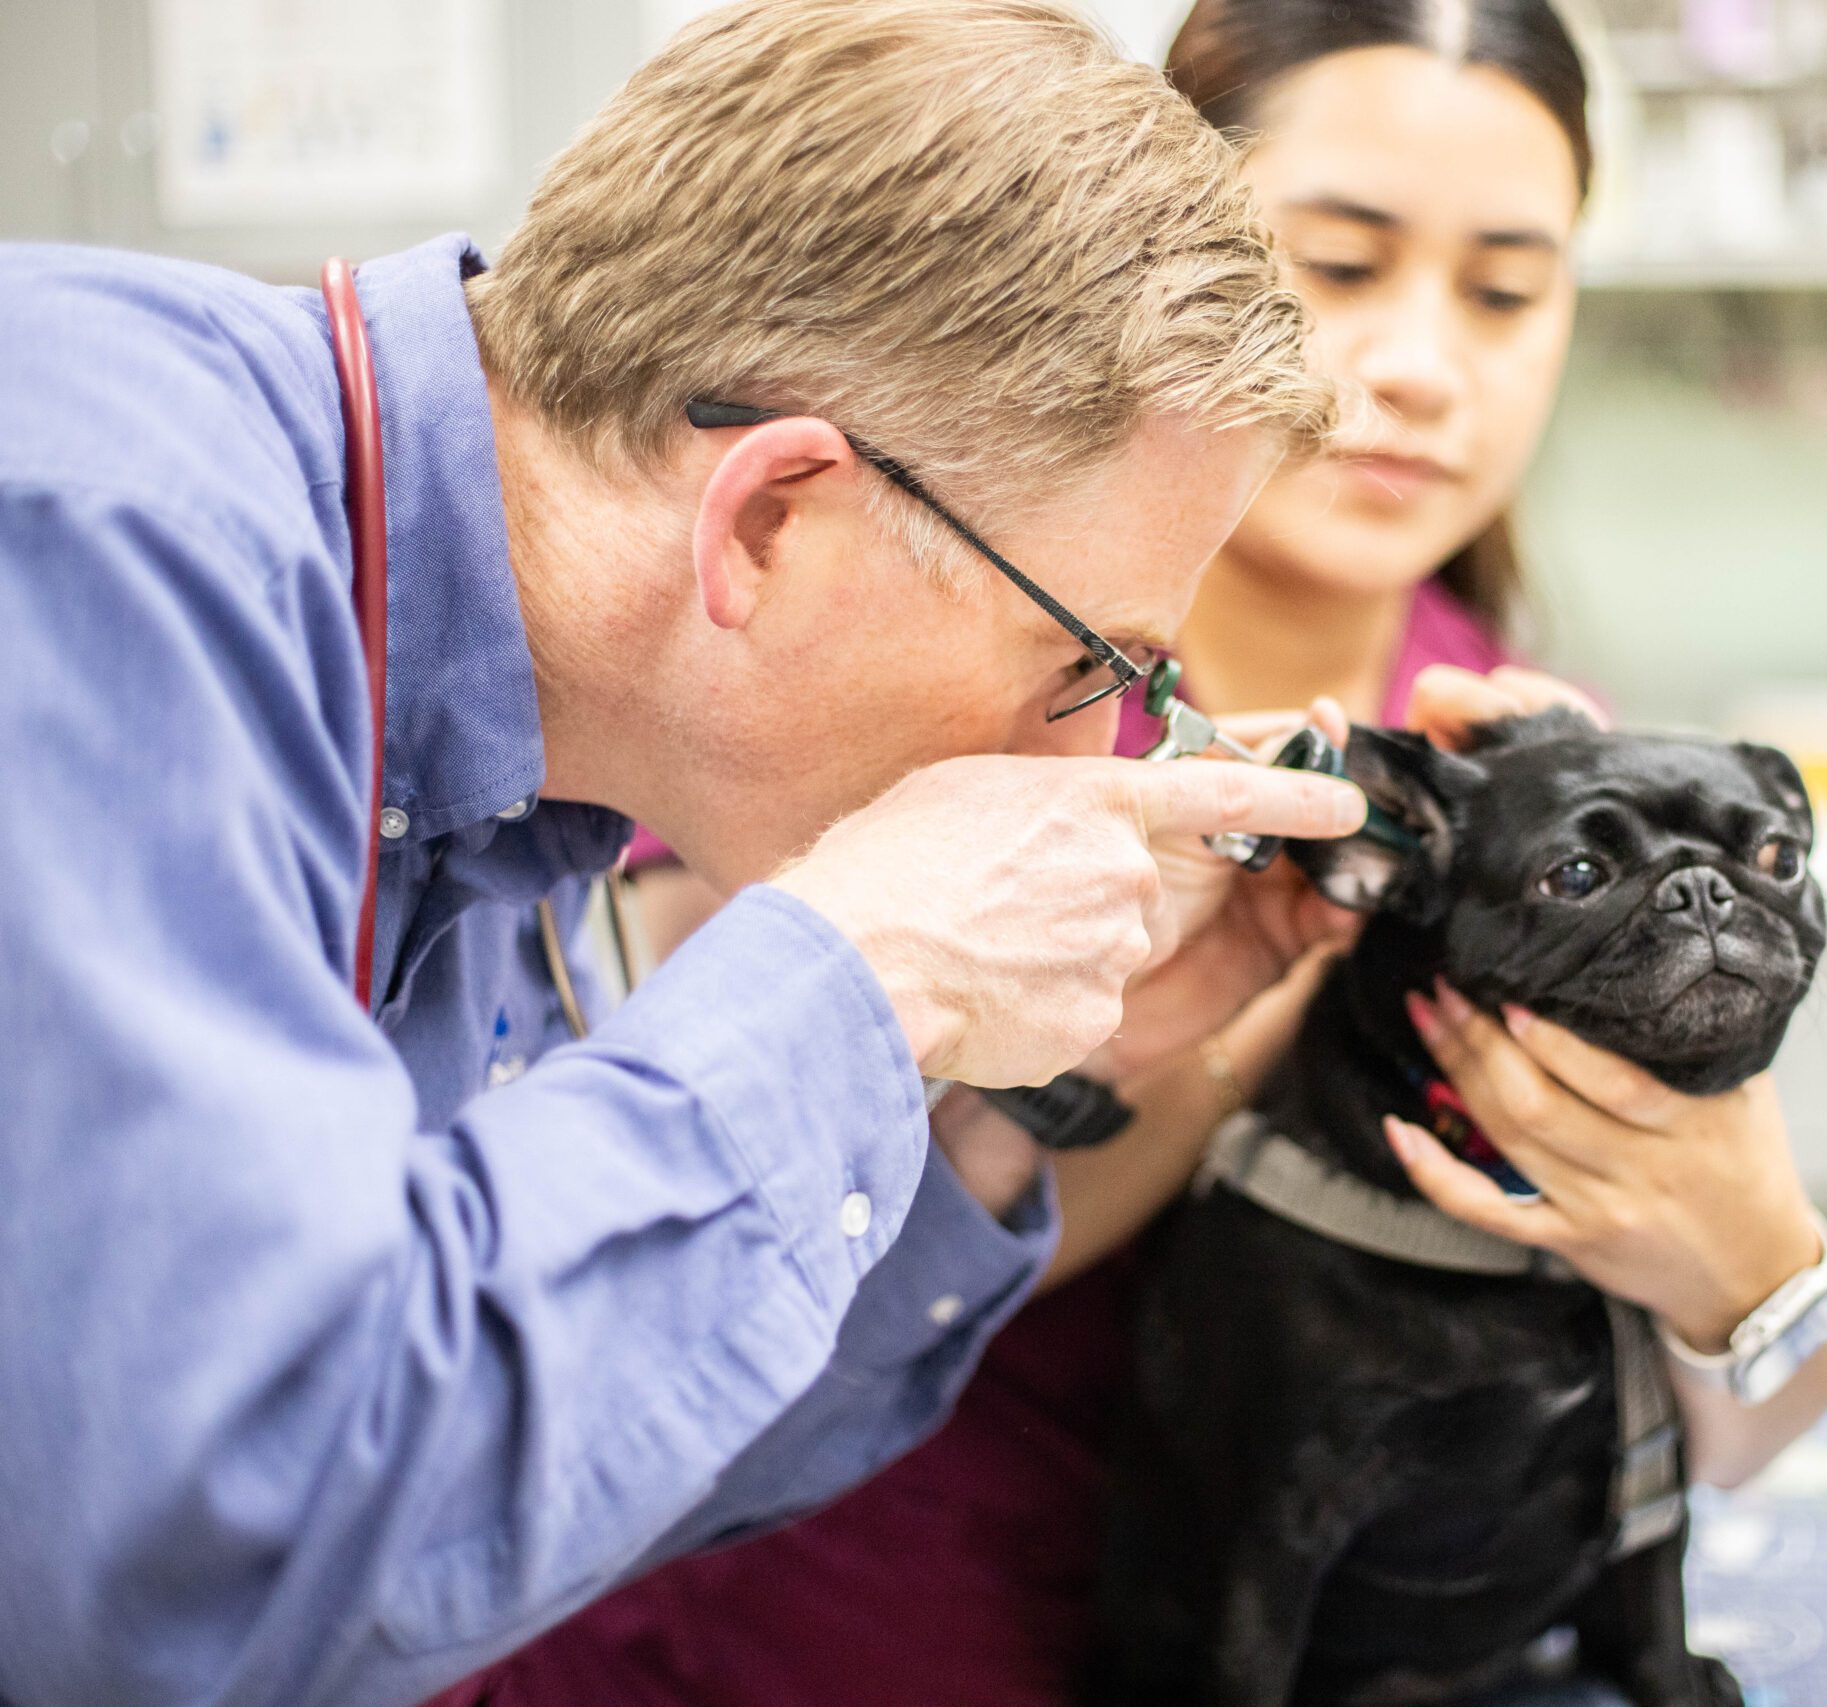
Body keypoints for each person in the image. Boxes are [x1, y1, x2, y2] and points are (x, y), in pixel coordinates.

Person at [0, 4, 1401, 1704]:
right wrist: (874, 963)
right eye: (1090, 666)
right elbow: (199, 1558)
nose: (1098, 755)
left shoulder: (496, 775)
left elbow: (512, 1494)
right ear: (769, 518)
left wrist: (1004, 1079)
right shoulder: (93, 530)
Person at [452, 4, 1827, 1705]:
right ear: (1177, 270)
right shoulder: (889, 675)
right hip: (829, 1643)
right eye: (1339, 266)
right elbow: (694, 1277)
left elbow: (1716, 1435)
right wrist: (1299, 981)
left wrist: (1753, 1256)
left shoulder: (1534, 770)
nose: (1422, 364)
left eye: (1505, 289)